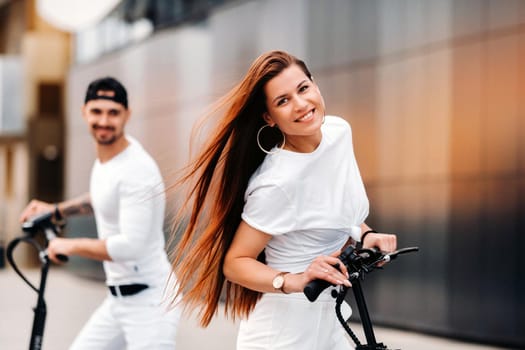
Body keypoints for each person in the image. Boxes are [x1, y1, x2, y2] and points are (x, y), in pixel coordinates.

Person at [169, 50, 397, 349]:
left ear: (315, 84)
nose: (301, 104)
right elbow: (235, 263)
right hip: (282, 337)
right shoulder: (276, 184)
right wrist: (296, 280)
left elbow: (339, 210)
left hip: (331, 322)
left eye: (303, 88)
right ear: (269, 117)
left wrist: (367, 234)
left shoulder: (339, 132)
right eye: (283, 101)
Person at [19, 77, 181, 350]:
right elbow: (103, 199)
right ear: (84, 112)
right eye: (97, 111)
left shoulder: (136, 170)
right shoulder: (107, 160)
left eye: (113, 113)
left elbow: (131, 245)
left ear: (127, 115)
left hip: (150, 301)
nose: (104, 121)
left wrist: (69, 244)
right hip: (118, 301)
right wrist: (56, 210)